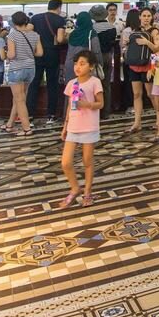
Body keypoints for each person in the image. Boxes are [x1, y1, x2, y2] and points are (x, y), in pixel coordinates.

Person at [59, 52, 104, 209]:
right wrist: (65, 126)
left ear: (91, 66)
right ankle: (75, 188)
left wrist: (88, 105)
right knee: (65, 162)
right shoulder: (72, 83)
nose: (78, 67)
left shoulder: (95, 82)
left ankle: (87, 191)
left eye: (82, 64)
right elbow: (70, 106)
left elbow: (101, 103)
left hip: (89, 127)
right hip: (73, 127)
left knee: (87, 161)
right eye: (76, 63)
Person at [2, 11, 42, 134]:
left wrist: (6, 53)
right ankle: (10, 124)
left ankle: (26, 128)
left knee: (19, 99)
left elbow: (12, 54)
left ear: (13, 23)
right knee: (19, 98)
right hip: (30, 68)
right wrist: (29, 55)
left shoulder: (12, 36)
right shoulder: (35, 35)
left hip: (17, 69)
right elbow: (40, 53)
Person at [29, 0, 68, 121]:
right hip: (52, 54)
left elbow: (29, 32)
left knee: (34, 84)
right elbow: (60, 39)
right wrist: (67, 37)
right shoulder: (60, 20)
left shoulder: (35, 18)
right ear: (59, 7)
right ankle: (51, 115)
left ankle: (29, 114)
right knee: (52, 85)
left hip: (37, 53)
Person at [123, 9, 155, 132]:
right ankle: (137, 122)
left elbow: (157, 50)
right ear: (140, 17)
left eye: (148, 16)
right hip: (134, 66)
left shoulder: (155, 31)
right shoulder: (135, 31)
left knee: (151, 94)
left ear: (152, 17)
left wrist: (147, 42)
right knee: (136, 94)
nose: (146, 18)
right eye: (144, 16)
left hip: (148, 67)